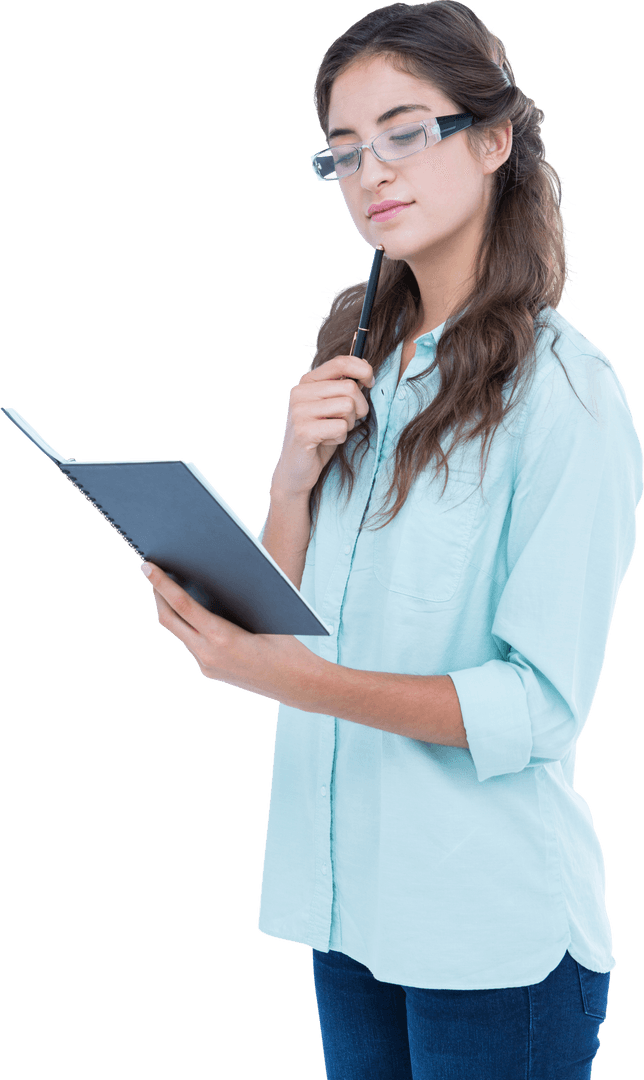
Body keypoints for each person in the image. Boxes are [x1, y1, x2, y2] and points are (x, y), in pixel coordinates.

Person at [138, 2, 643, 1077]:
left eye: (405, 131)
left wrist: (289, 679)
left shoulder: (566, 398)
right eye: (344, 151)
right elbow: (277, 616)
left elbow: (538, 705)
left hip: (486, 934)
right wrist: (288, 478)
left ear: (494, 139)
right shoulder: (363, 363)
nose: (372, 172)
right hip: (349, 907)